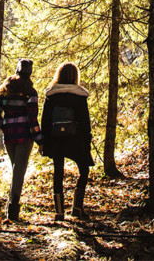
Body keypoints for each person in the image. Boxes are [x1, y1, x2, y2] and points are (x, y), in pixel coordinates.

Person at [0, 58, 43, 222]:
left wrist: (4, 126)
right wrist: (40, 140)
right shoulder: (30, 92)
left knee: (16, 170)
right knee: (19, 171)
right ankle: (12, 209)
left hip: (9, 136)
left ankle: (11, 207)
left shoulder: (5, 90)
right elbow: (32, 119)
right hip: (25, 137)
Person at [41, 62, 93, 221]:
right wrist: (87, 140)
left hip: (56, 139)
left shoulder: (51, 95)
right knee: (84, 170)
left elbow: (45, 120)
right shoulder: (80, 95)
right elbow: (85, 121)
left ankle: (59, 212)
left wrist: (44, 142)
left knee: (58, 172)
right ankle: (77, 208)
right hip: (76, 139)